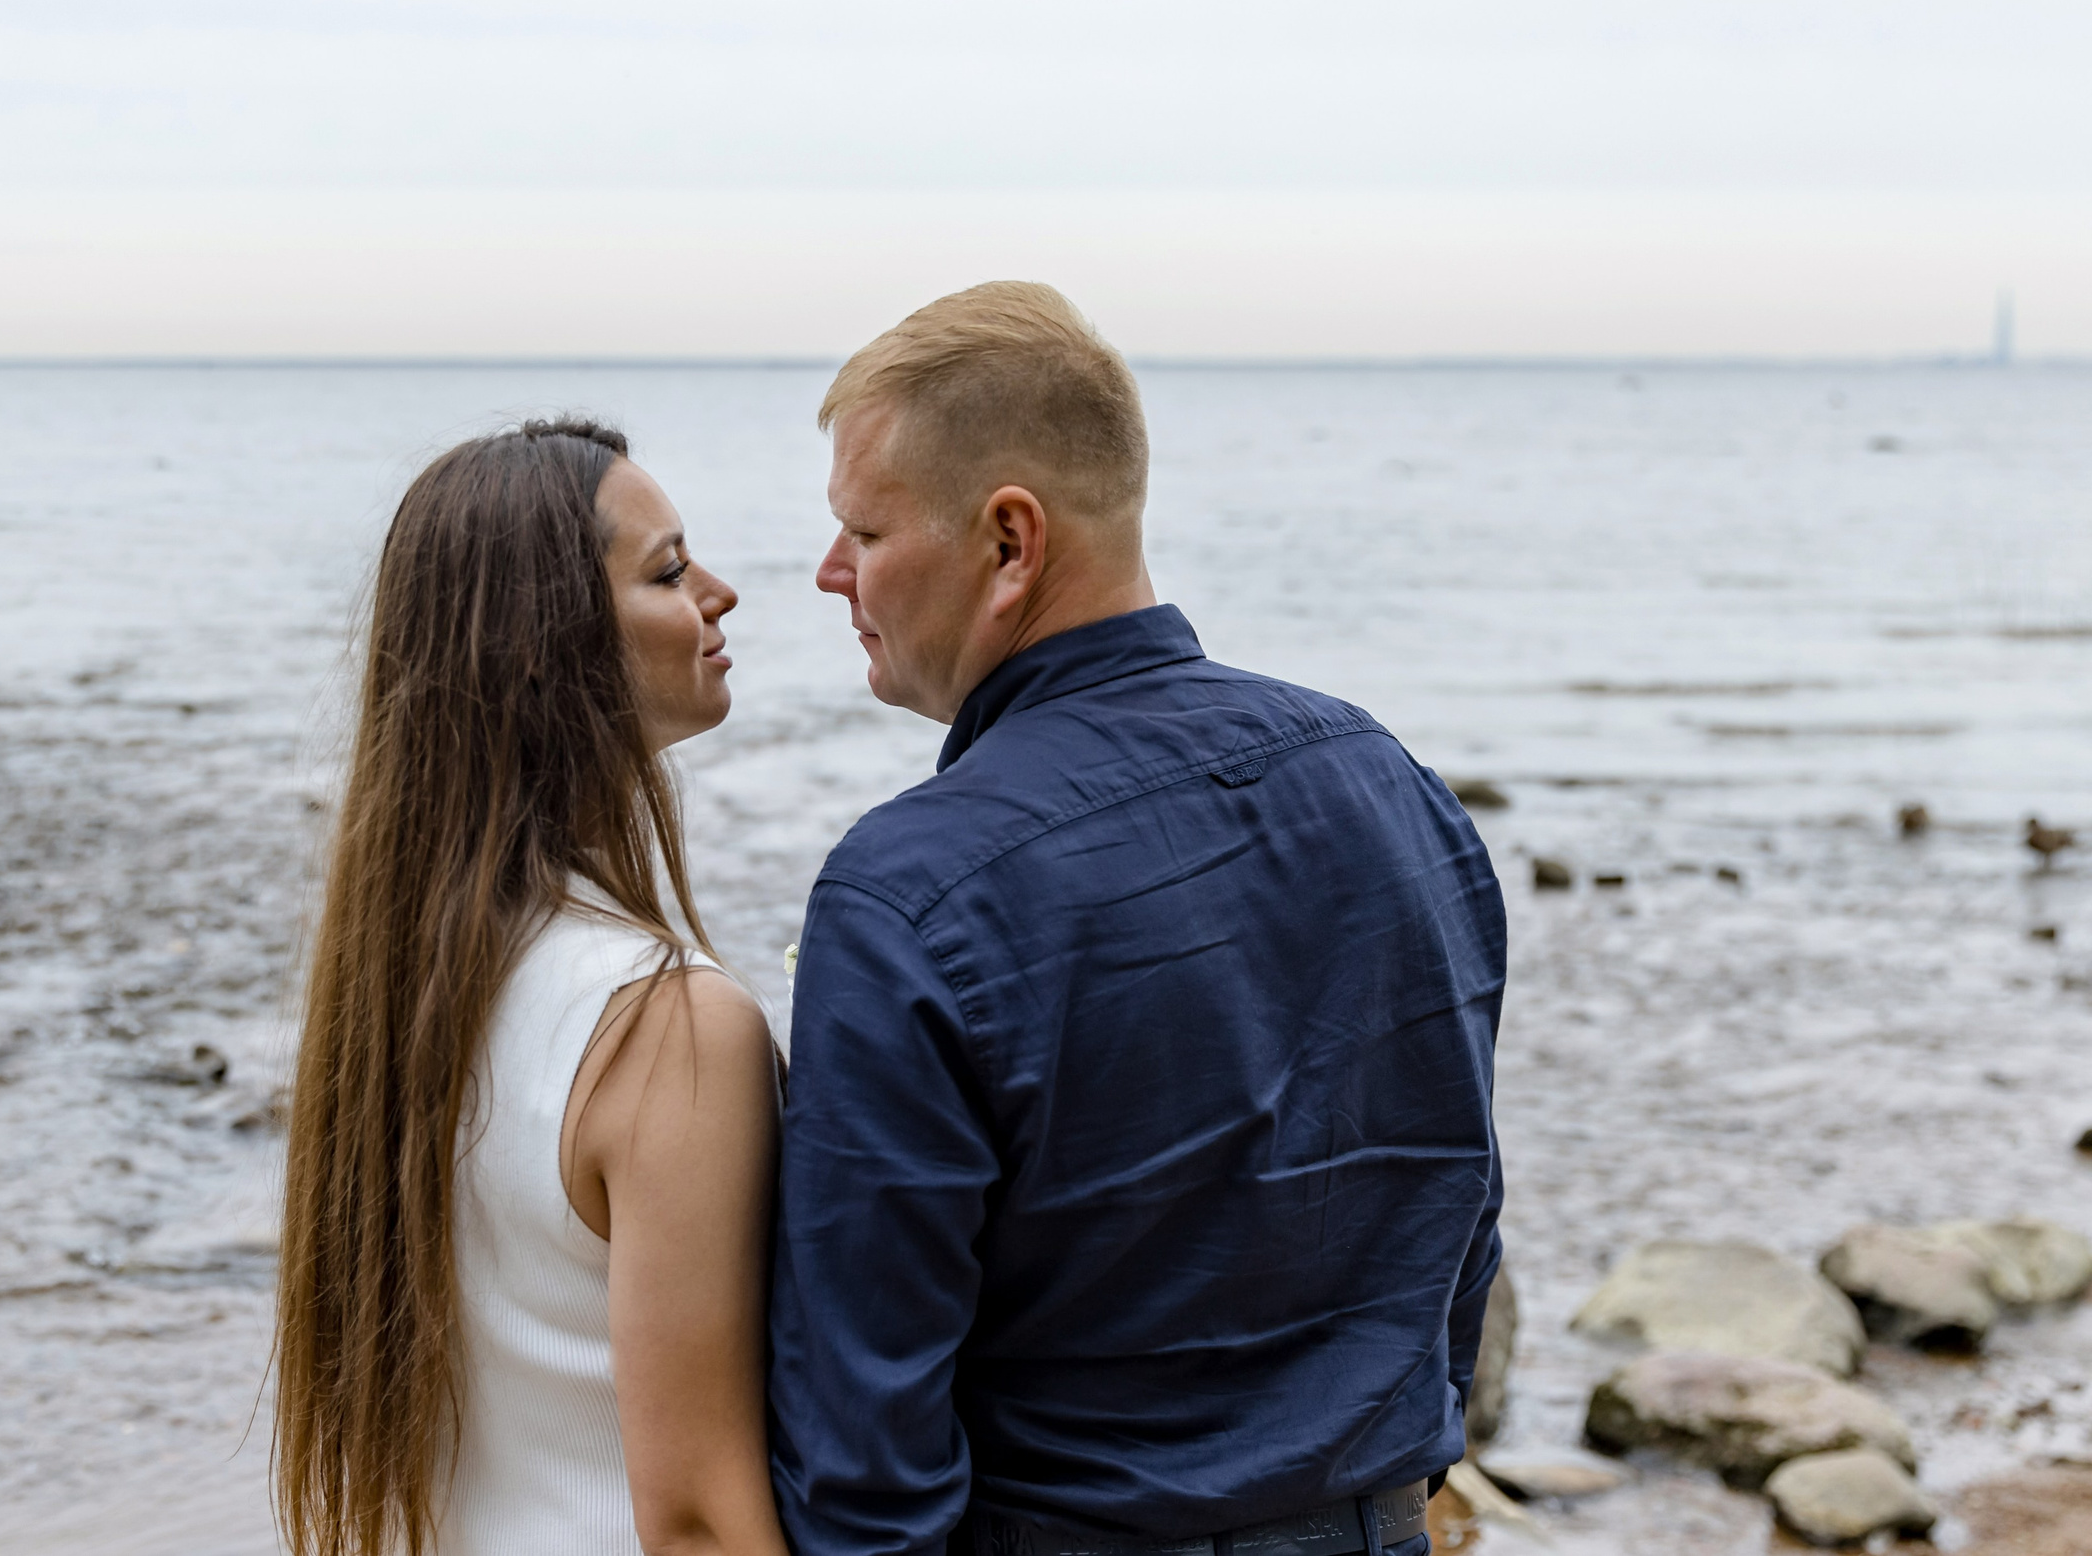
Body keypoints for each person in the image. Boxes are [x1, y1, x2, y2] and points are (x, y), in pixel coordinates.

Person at [770, 284, 1506, 1556]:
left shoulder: (908, 891)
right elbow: (1457, 1216)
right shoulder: (1392, 785)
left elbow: (866, 1441)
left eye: (863, 531)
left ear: (1010, 541)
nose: (830, 572)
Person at [272, 417, 789, 1556]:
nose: (720, 593)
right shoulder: (666, 1027)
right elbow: (697, 1519)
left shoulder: (401, 993)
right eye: (667, 571)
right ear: (540, 648)